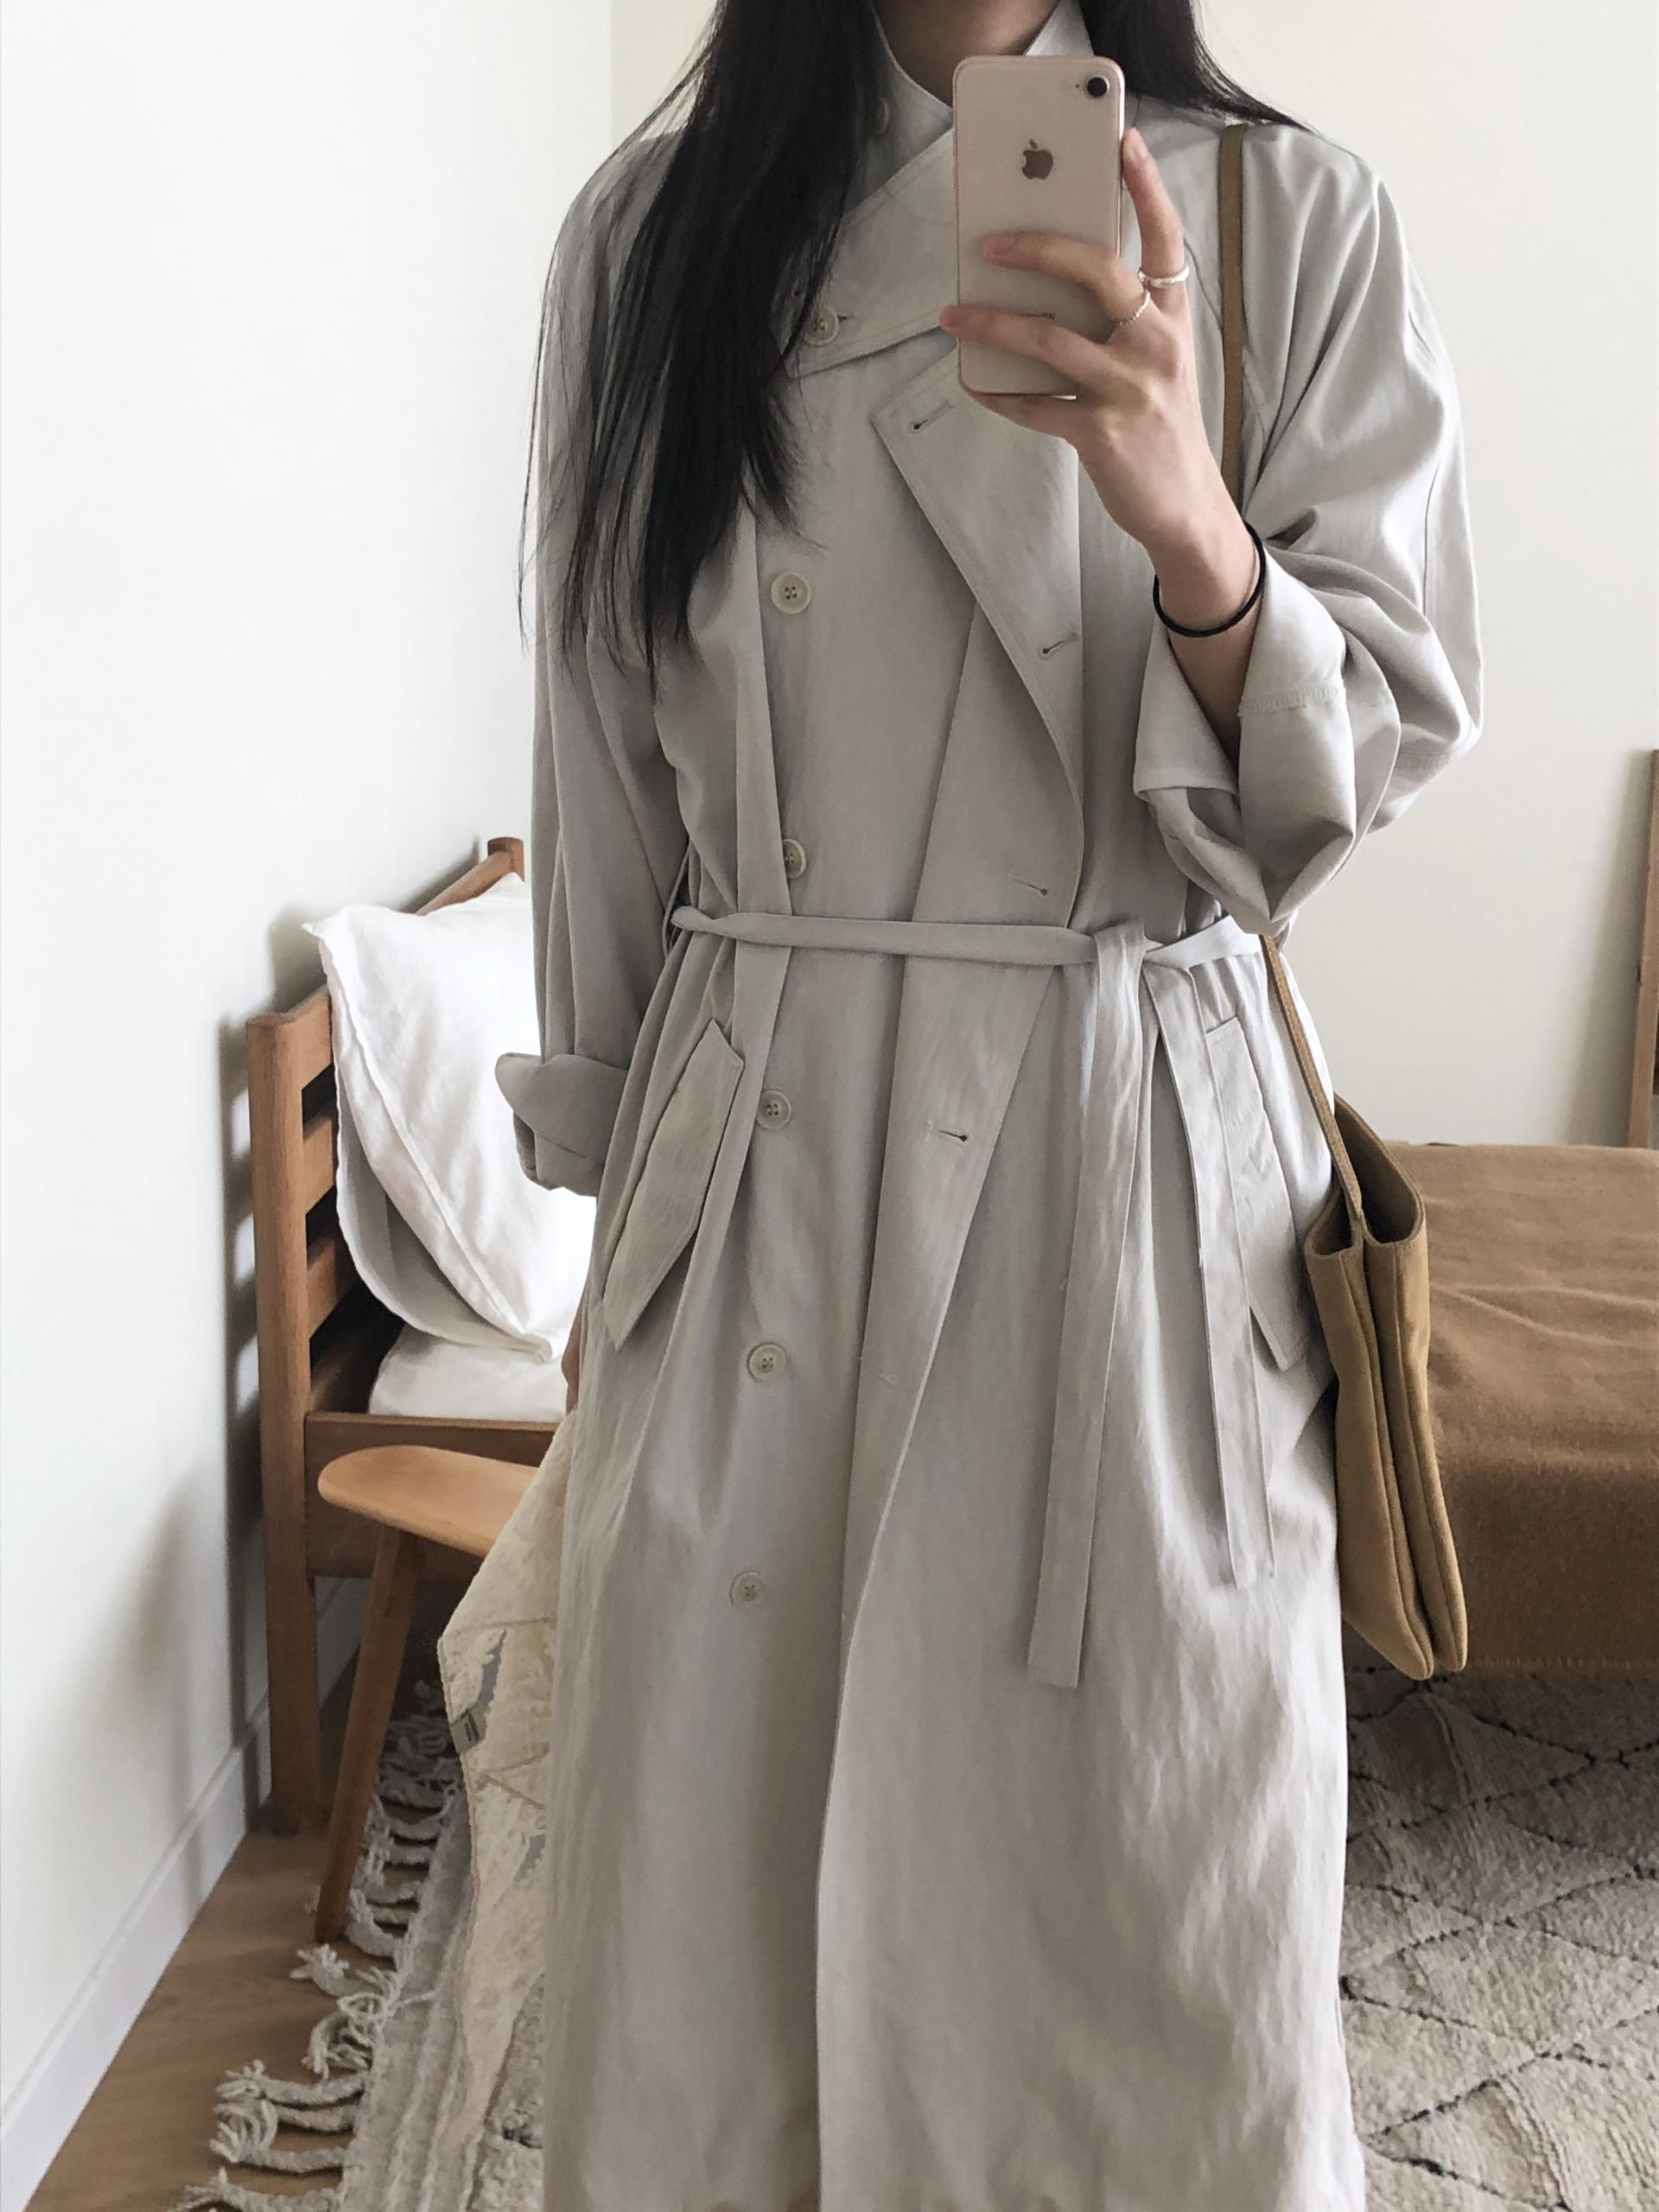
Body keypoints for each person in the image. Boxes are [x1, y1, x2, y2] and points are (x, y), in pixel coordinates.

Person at [493, 1, 1483, 2204]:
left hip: (1126, 1173)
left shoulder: (1290, 217)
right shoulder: (650, 241)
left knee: (1148, 1939)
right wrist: (611, 1247)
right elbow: (598, 771)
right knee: (714, 1964)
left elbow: (1367, 754)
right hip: (754, 1195)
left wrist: (1196, 532)